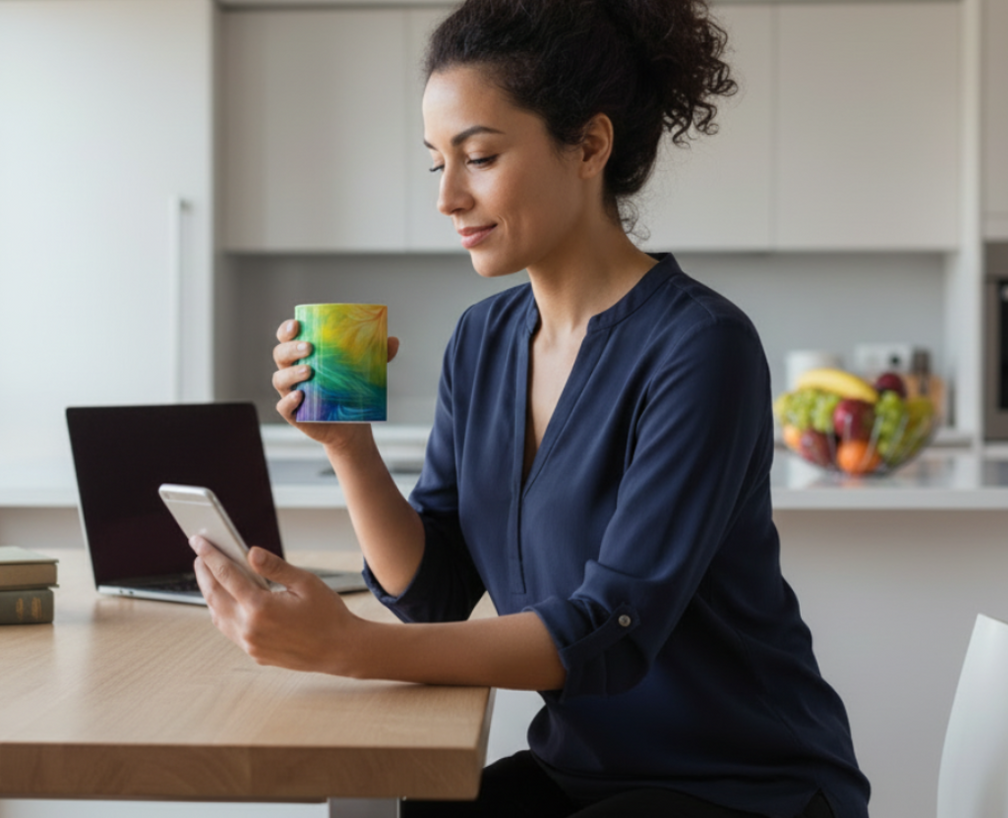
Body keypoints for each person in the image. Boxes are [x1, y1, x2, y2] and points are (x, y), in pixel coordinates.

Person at [188, 1, 871, 816]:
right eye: (435, 162)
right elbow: (433, 588)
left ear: (589, 145)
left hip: (745, 786)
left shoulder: (701, 346)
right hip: (584, 770)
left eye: (478, 157)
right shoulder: (484, 340)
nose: (447, 197)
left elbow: (611, 630)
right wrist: (347, 447)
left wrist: (349, 647)